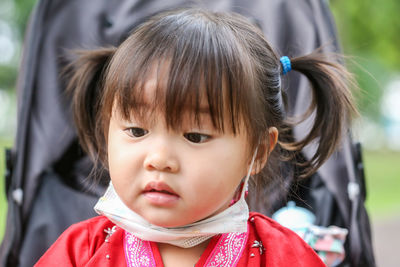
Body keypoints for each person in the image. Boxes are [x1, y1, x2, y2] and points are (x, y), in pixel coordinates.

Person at [35, 8, 356, 266]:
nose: (159, 158)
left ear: (257, 152)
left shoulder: (283, 256)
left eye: (195, 136)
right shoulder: (80, 253)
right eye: (136, 131)